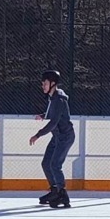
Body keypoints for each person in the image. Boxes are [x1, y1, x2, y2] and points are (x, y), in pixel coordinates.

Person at [29, 69, 76, 208]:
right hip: (57, 136)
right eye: (42, 83)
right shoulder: (53, 97)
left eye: (45, 83)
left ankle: (63, 194)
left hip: (65, 137)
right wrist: (43, 115)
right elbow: (52, 113)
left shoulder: (59, 99)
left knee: (55, 165)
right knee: (46, 163)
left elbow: (54, 121)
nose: (43, 86)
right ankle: (55, 190)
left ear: (53, 83)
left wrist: (38, 134)